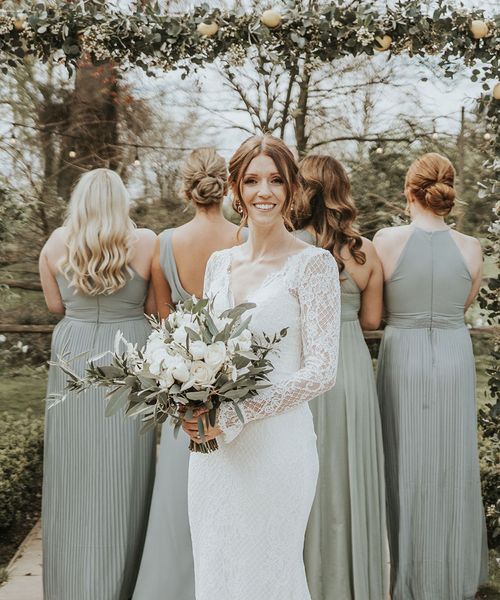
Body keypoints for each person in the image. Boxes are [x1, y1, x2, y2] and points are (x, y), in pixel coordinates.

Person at [182, 135, 341, 600]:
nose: (263, 191)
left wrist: (237, 413)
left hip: (277, 447)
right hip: (214, 453)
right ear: (235, 188)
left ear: (293, 188)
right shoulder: (218, 264)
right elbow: (202, 352)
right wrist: (187, 400)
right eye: (252, 180)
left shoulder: (313, 266)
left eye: (275, 180)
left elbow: (321, 370)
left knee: (269, 574)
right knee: (218, 569)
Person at [373, 152, 489, 600]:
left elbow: (376, 311)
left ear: (409, 191)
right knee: (449, 464)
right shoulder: (472, 247)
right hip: (454, 356)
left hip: (404, 354)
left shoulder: (386, 240)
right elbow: (461, 306)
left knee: (403, 462)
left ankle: (404, 572)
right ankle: (451, 573)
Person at [132, 147, 246, 600]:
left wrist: (180, 369)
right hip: (236, 380)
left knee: (180, 493)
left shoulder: (165, 243)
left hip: (183, 384)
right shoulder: (243, 238)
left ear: (186, 187)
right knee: (234, 490)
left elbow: (160, 319)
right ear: (227, 187)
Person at [39, 168, 156, 600]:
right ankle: (120, 582)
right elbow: (154, 307)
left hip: (72, 353)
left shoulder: (54, 243)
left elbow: (55, 304)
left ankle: (71, 586)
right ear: (120, 201)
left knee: (73, 470)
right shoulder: (146, 242)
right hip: (128, 354)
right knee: (124, 468)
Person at [296, 154, 388, 600]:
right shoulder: (365, 251)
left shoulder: (289, 246)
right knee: (349, 477)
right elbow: (372, 322)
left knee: (305, 479)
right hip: (350, 369)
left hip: (303, 369)